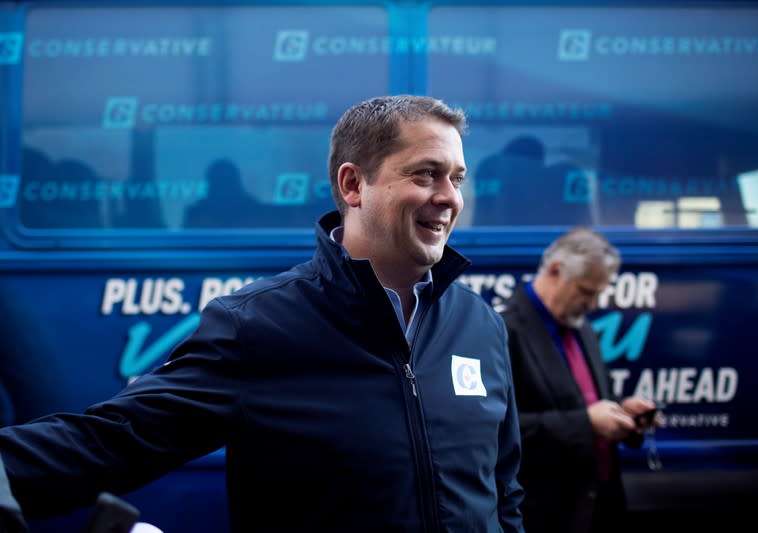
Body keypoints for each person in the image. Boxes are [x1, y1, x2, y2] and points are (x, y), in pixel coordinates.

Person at [0, 95, 525, 532]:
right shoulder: (257, 327)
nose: (449, 198)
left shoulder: (480, 325)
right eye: (426, 175)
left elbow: (504, 492)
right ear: (352, 185)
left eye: (457, 178)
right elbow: (111, 441)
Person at [500, 227, 658, 533]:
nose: (593, 304)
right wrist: (586, 424)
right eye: (587, 291)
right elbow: (497, 430)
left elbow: (595, 402)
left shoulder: (579, 325)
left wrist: (623, 413)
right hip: (543, 513)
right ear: (556, 271)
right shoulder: (504, 329)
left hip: (595, 504)